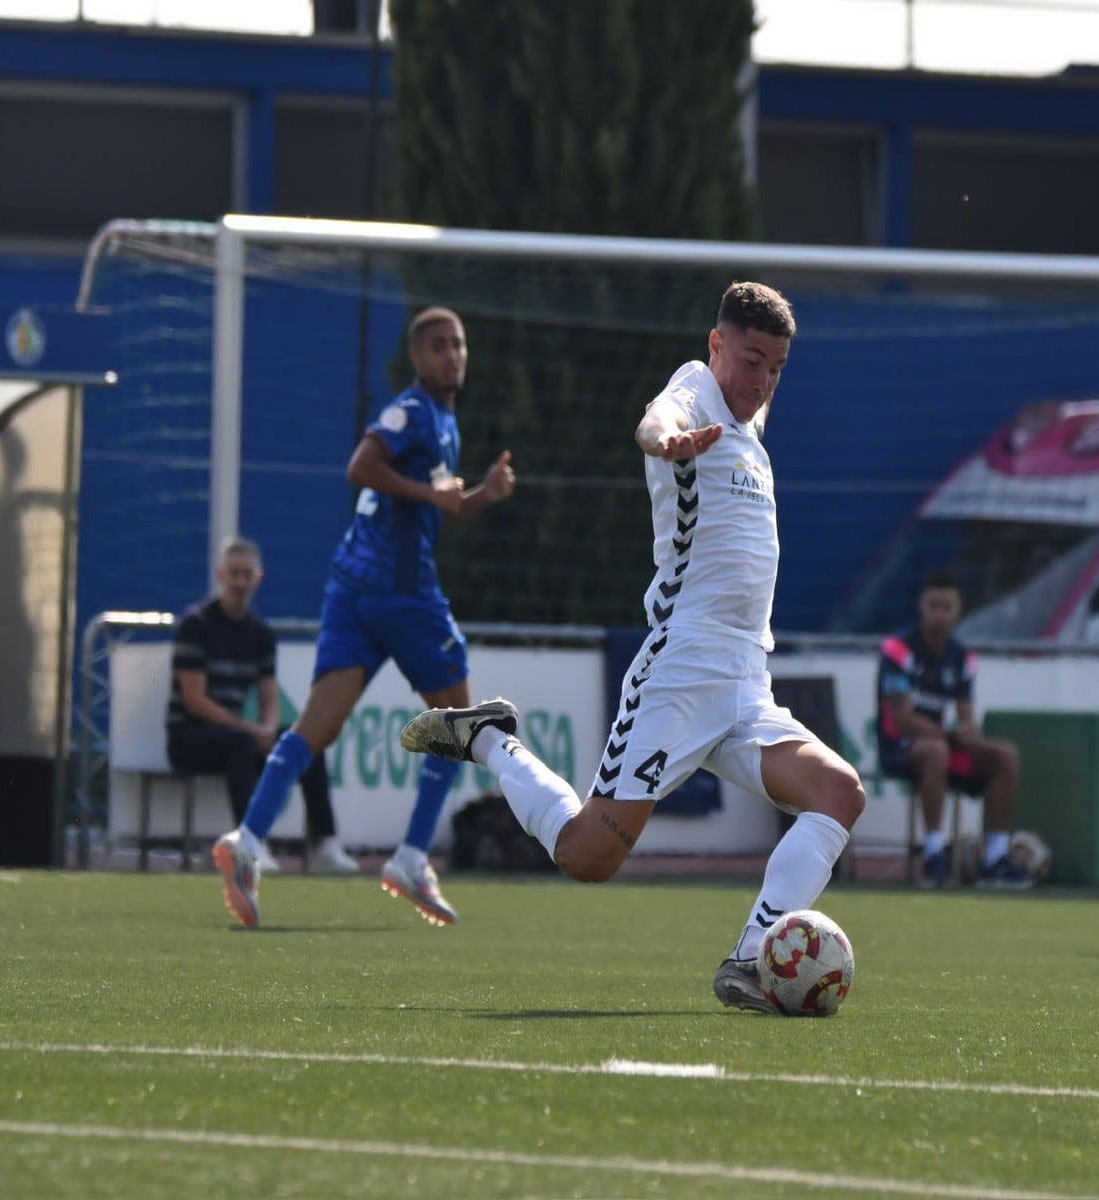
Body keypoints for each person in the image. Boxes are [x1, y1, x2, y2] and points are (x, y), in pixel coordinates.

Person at [398, 281, 866, 1013]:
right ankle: (488, 740)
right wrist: (664, 439)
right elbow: (657, 418)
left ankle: (750, 960)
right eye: (750, 360)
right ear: (715, 347)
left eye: (775, 366)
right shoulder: (693, 392)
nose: (761, 379)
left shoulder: (749, 420)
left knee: (839, 795)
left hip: (747, 683)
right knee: (589, 856)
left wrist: (757, 380)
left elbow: (753, 390)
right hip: (679, 673)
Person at [212, 306, 516, 928]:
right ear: (417, 358)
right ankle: (409, 857)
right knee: (459, 723)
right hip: (400, 593)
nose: (452, 355)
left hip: (352, 590)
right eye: (438, 346)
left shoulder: (443, 422)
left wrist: (480, 494)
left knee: (314, 729)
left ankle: (247, 843)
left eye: (458, 344)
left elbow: (430, 507)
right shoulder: (411, 411)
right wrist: (433, 493)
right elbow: (361, 466)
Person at [167, 536, 357, 875]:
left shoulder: (260, 633)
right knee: (240, 744)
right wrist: (250, 730)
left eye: (247, 575)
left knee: (304, 743)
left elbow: (268, 697)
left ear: (259, 578)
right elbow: (195, 701)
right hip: (189, 738)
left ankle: (325, 843)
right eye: (234, 574)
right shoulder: (196, 625)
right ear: (220, 575)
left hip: (238, 734)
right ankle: (251, 843)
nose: (240, 582)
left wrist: (269, 729)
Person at [876, 571, 1029, 888]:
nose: (939, 615)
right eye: (934, 606)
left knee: (1005, 755)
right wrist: (950, 736)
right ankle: (933, 855)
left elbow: (966, 716)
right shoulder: (898, 650)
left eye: (947, 607)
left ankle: (995, 858)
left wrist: (969, 735)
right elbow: (902, 720)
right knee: (936, 750)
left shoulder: (962, 658)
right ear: (922, 606)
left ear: (959, 610)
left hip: (944, 745)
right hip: (900, 747)